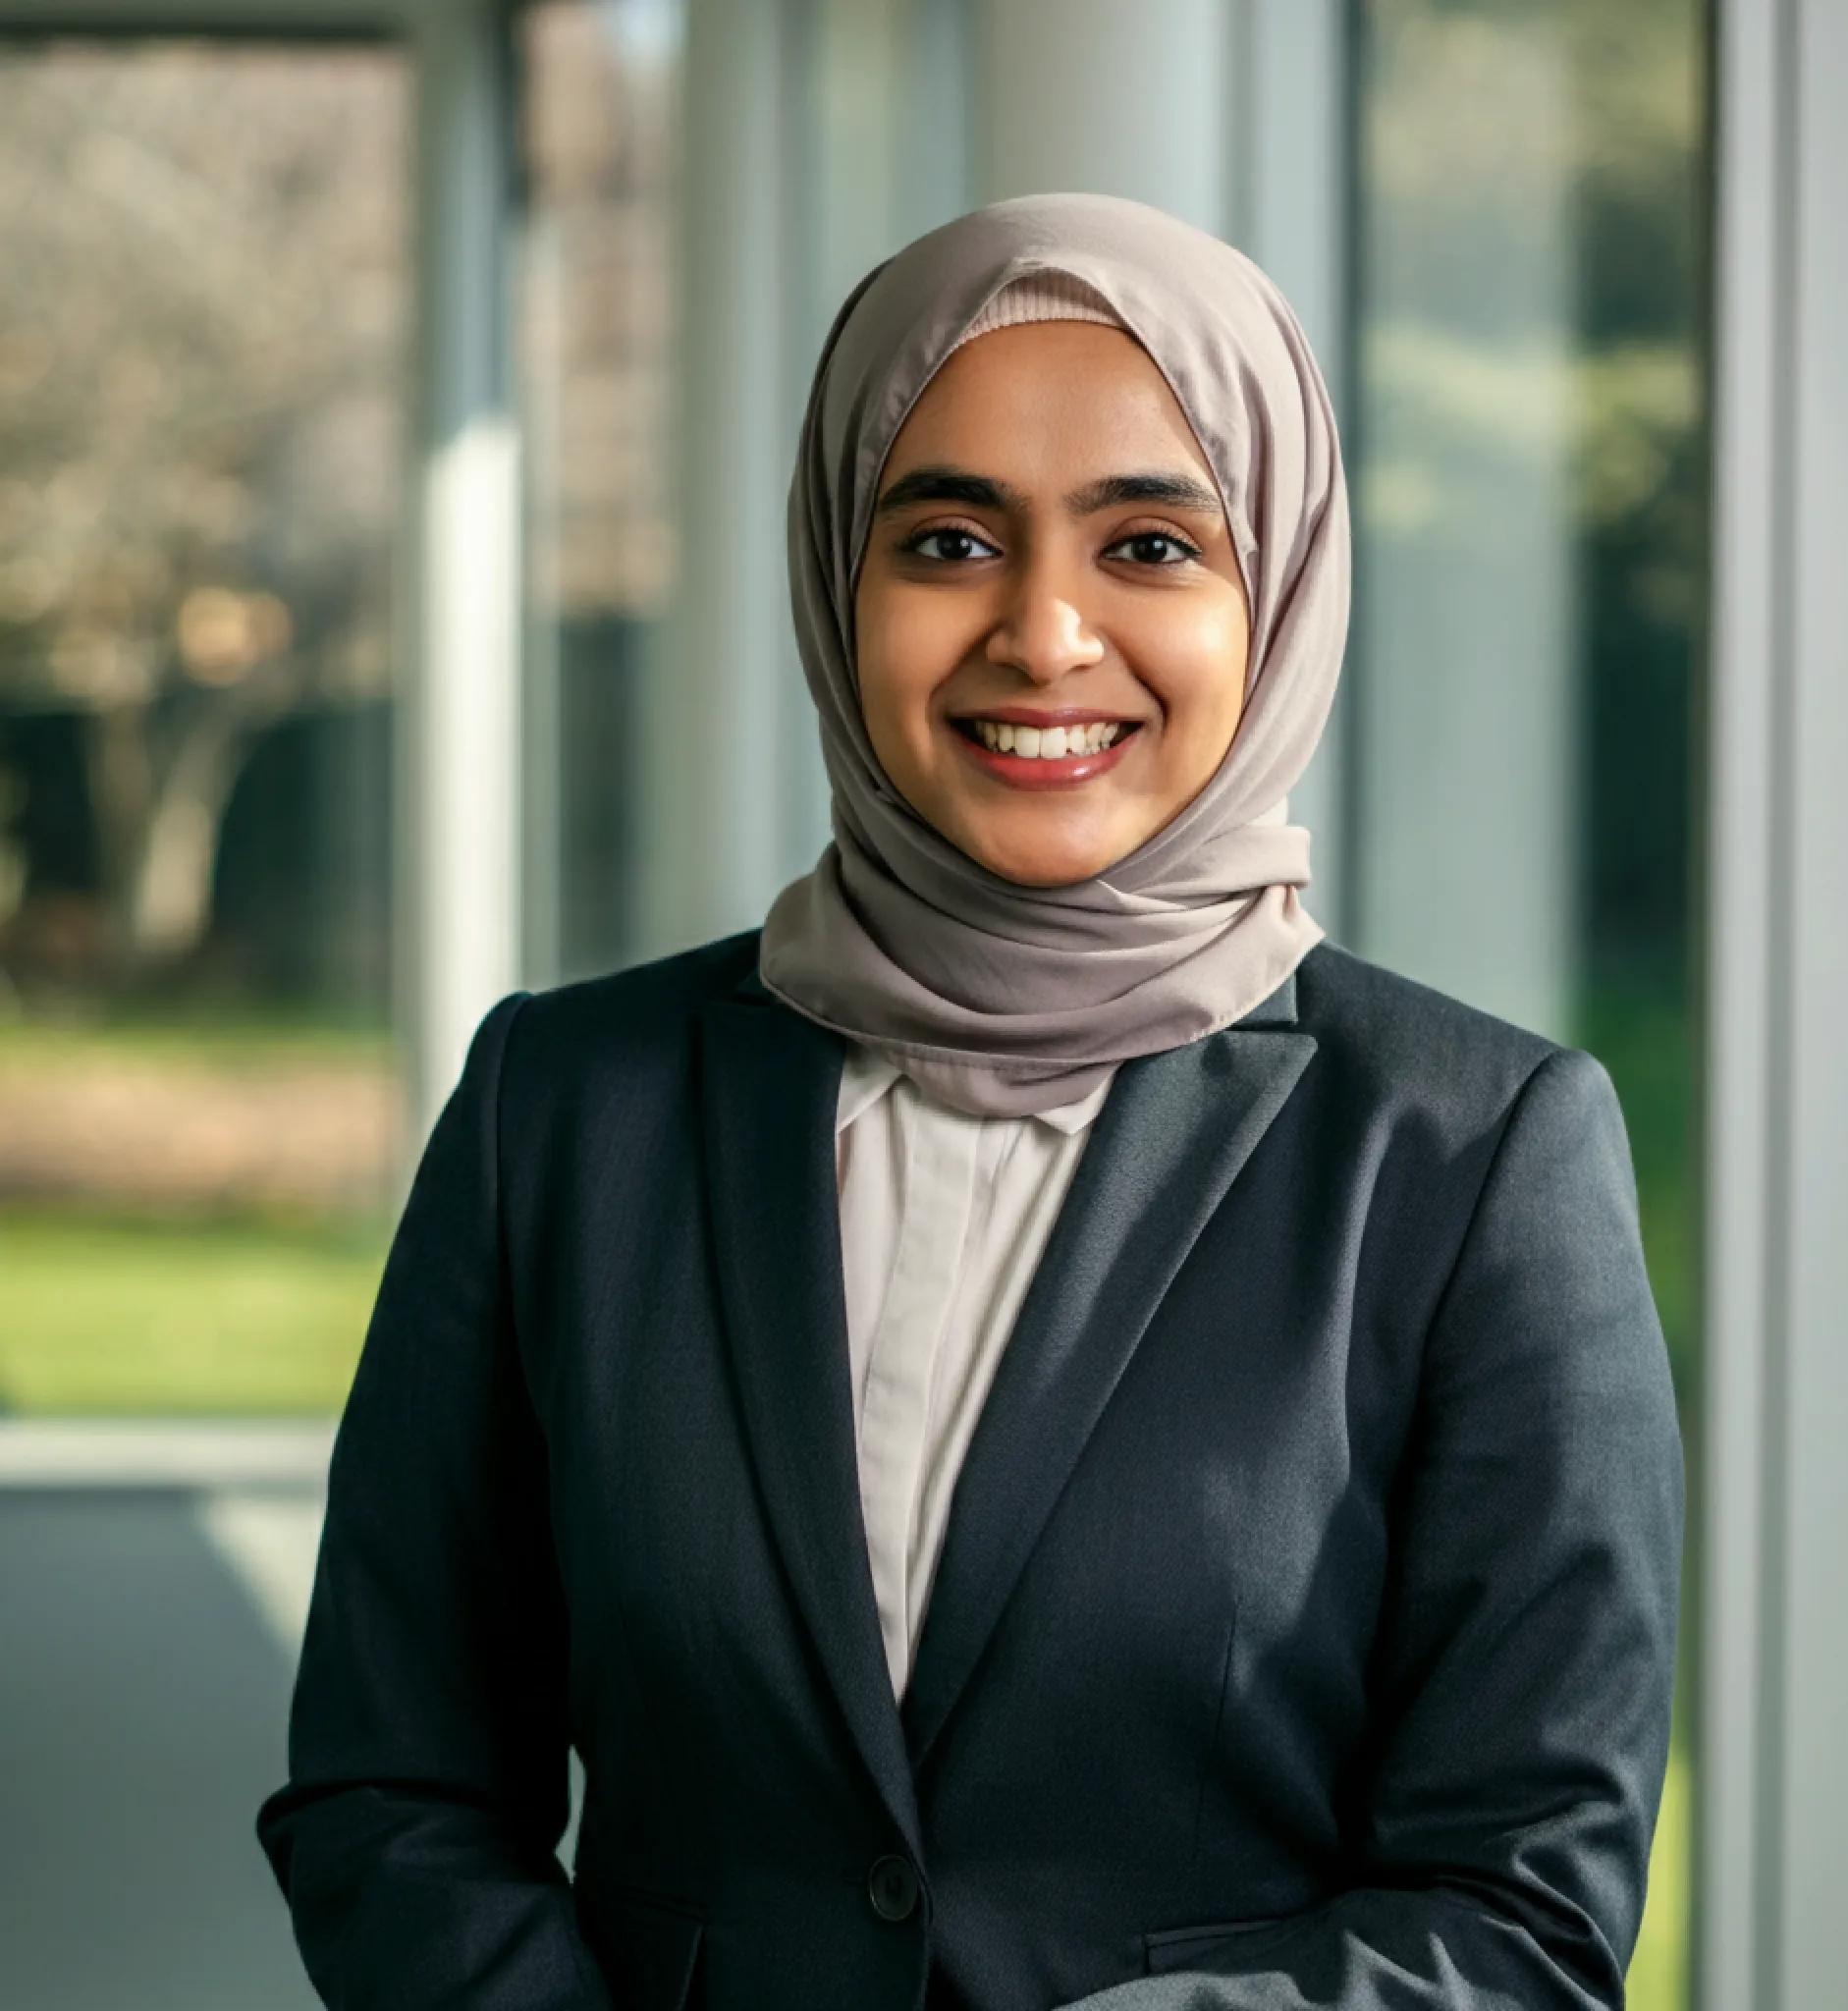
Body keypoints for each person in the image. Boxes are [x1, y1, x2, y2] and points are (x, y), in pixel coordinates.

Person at [258, 193, 1683, 2011]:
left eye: (1153, 543)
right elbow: (393, 1786)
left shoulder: (1477, 1155)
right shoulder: (566, 1107)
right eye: (947, 538)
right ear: (836, 576)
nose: (1045, 634)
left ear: (1282, 588)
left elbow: (1520, 1908)